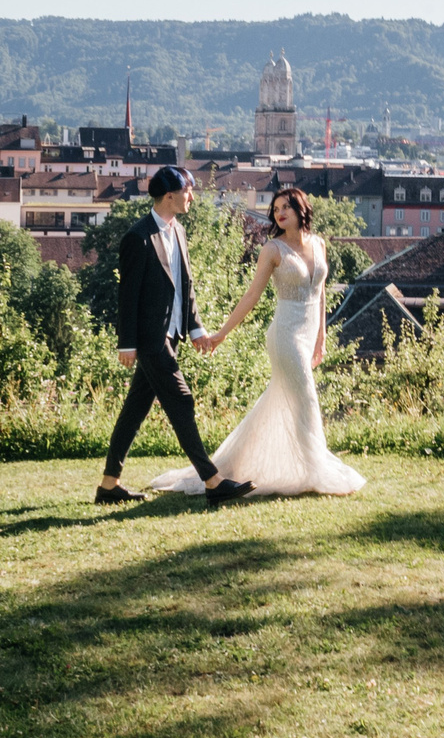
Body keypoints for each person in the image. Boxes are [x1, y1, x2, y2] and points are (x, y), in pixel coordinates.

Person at [149, 186, 365, 499]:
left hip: (308, 335)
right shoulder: (272, 250)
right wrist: (221, 334)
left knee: (279, 402)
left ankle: (237, 466)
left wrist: (322, 338)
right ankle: (316, 469)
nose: (279, 213)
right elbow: (252, 296)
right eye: (276, 208)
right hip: (285, 336)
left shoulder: (319, 244)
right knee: (306, 398)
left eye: (286, 207)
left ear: (300, 209)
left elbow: (319, 293)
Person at [99, 166, 254, 508]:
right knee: (181, 400)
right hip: (149, 338)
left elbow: (186, 286)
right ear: (169, 195)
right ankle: (213, 481)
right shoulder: (137, 237)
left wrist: (196, 329)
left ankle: (109, 484)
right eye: (188, 191)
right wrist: (127, 343)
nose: (192, 197)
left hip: (171, 336)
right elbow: (128, 296)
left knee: (135, 408)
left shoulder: (179, 231)